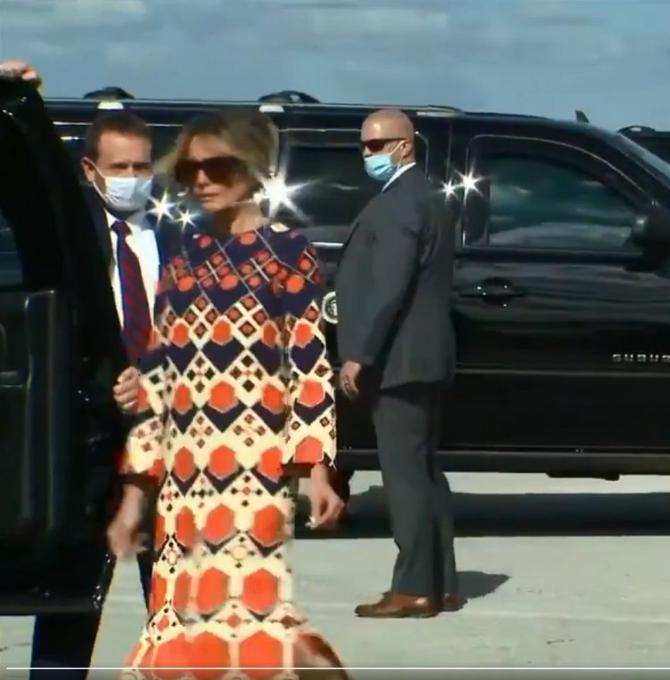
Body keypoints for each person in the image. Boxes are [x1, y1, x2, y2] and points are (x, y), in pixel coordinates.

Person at [105, 109, 347, 677]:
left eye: (218, 167)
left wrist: (317, 469)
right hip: (181, 482)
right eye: (189, 171)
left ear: (254, 168)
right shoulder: (182, 260)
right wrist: (135, 496)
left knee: (248, 615)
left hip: (254, 474)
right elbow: (158, 380)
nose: (202, 180)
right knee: (175, 618)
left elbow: (308, 363)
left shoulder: (288, 253)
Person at [30, 110, 179, 678]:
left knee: (175, 605)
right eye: (120, 168)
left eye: (142, 166)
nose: (132, 178)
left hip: (166, 448)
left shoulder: (176, 237)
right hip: (89, 448)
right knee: (70, 612)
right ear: (90, 170)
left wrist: (159, 379)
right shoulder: (68, 242)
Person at [336, 108, 459, 619]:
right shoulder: (427, 196)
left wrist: (359, 355)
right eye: (364, 145)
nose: (367, 154)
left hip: (399, 360)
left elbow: (389, 289)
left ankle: (413, 588)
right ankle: (441, 582)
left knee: (405, 476)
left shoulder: (397, 205)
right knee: (425, 471)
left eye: (377, 145)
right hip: (426, 356)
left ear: (405, 146)